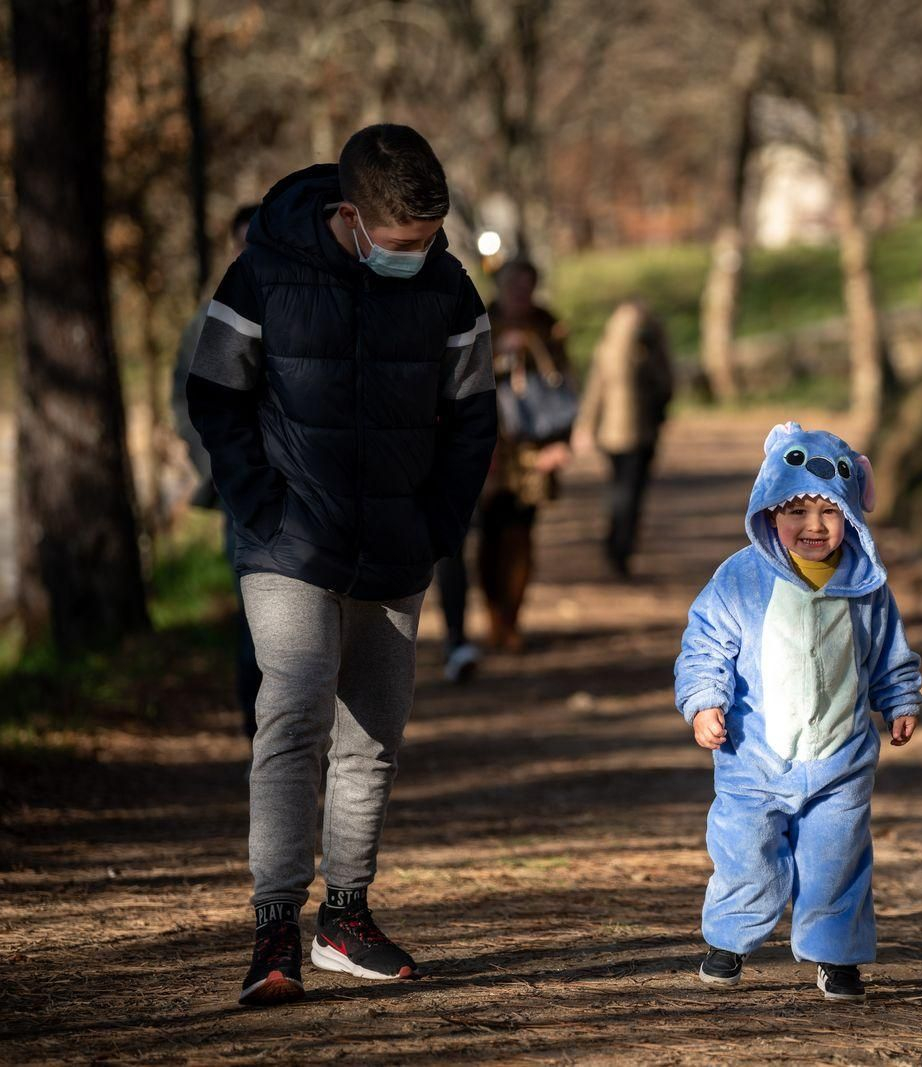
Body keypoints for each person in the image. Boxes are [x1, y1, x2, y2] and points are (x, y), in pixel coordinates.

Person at [185, 125, 496, 1007]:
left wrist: (437, 522)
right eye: (401, 243)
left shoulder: (445, 285)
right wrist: (260, 507)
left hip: (398, 544)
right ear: (351, 218)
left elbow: (475, 414)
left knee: (374, 737)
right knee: (290, 715)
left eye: (430, 239)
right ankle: (274, 925)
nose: (419, 255)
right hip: (287, 541)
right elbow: (215, 390)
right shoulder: (263, 272)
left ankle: (345, 917)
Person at [674, 422, 922, 1003]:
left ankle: (835, 956)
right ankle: (730, 941)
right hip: (753, 756)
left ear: (852, 517)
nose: (813, 528)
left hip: (841, 757)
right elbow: (706, 644)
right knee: (746, 852)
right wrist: (705, 701)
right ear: (768, 511)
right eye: (796, 512)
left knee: (837, 858)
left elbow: (889, 650)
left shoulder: (866, 585)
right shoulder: (741, 578)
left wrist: (900, 698)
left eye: (829, 514)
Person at [172, 205, 262, 736]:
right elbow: (186, 401)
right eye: (244, 243)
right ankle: (259, 732)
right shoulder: (206, 322)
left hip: (309, 489)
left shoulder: (310, 308)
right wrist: (221, 463)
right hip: (239, 491)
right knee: (254, 611)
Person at [476, 258, 573, 652]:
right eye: (513, 285)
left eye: (527, 285)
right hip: (488, 444)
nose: (520, 293)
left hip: (534, 447)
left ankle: (512, 618)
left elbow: (565, 383)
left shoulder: (548, 324)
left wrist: (562, 440)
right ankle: (493, 616)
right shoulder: (479, 319)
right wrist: (498, 354)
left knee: (521, 533)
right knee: (488, 534)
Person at [574, 300, 673, 577]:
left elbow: (594, 392)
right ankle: (620, 545)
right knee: (630, 492)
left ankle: (615, 541)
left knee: (619, 488)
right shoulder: (649, 352)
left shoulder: (606, 350)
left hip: (611, 435)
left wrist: (585, 426)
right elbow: (665, 385)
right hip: (640, 434)